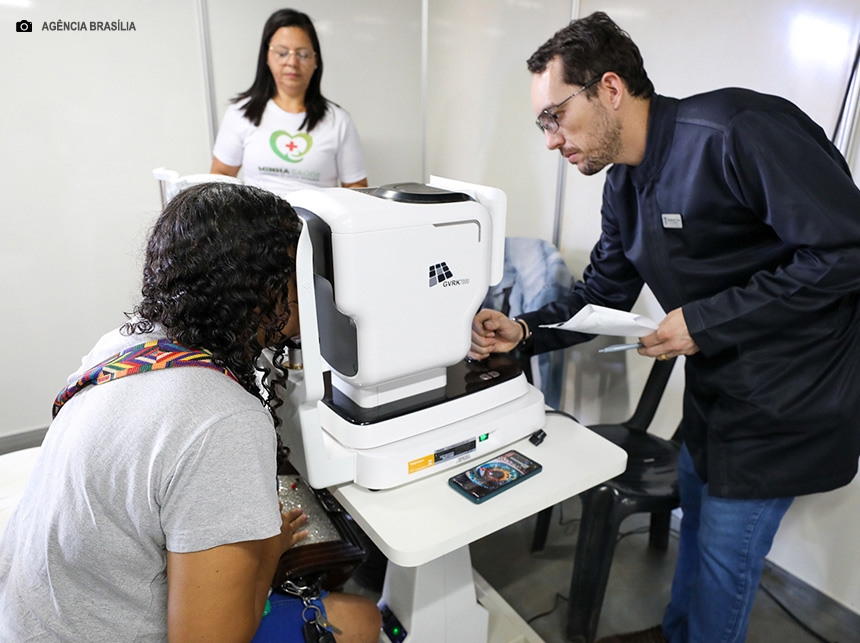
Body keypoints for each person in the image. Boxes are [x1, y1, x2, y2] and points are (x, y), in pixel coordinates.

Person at [471, 11, 860, 643]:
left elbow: (846, 251)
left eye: (555, 117)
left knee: (722, 564)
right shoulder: (623, 184)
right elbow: (599, 294)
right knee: (699, 531)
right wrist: (526, 332)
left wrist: (704, 321)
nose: (550, 140)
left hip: (789, 401)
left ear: (611, 89)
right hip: (719, 392)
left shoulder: (735, 132)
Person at [0, 183, 381, 642]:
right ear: (260, 292)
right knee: (363, 618)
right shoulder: (223, 420)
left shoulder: (120, 346)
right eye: (300, 277)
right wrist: (266, 551)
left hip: (28, 621)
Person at [211, 9, 368, 197]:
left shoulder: (339, 121)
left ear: (315, 60)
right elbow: (220, 176)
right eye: (282, 53)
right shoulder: (241, 112)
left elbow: (357, 185)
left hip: (319, 224)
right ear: (267, 57)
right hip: (258, 223)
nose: (292, 62)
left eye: (302, 54)